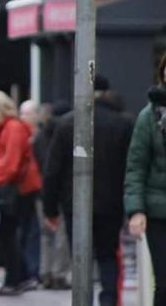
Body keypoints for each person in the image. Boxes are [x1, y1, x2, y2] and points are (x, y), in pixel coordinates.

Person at [44, 76, 132, 306]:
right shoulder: (122, 123)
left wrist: (50, 209)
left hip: (74, 203)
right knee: (108, 255)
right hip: (111, 202)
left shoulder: (66, 124)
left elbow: (53, 170)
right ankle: (108, 300)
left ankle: (83, 300)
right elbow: (131, 166)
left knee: (80, 256)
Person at [0, 90, 41, 296]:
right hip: (9, 189)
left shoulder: (12, 128)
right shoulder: (1, 130)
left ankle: (16, 279)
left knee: (8, 234)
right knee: (7, 235)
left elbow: (9, 164)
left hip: (15, 190)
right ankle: (19, 276)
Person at [126, 53, 166, 305]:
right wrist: (136, 210)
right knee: (164, 282)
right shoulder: (149, 116)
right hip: (159, 211)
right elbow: (136, 167)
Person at [33, 102, 71, 290]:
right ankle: (59, 273)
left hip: (41, 190)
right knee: (62, 234)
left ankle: (45, 272)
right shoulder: (65, 133)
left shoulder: (39, 136)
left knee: (46, 234)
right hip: (62, 191)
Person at [17, 100, 43, 287]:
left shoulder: (39, 135)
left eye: (27, 113)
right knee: (28, 231)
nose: (24, 117)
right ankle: (29, 270)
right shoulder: (23, 133)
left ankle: (33, 270)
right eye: (22, 113)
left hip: (35, 188)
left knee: (34, 232)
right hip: (26, 188)